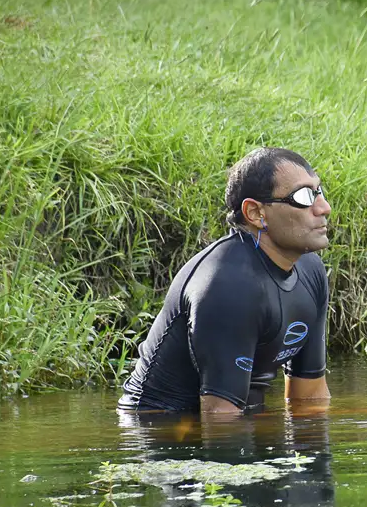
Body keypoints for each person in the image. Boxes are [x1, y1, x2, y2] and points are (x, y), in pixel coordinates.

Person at [119, 147, 332, 414]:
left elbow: (310, 400)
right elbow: (220, 421)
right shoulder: (230, 284)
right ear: (255, 213)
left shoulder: (310, 270)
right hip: (161, 426)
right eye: (303, 196)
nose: (324, 208)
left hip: (239, 419)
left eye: (319, 191)